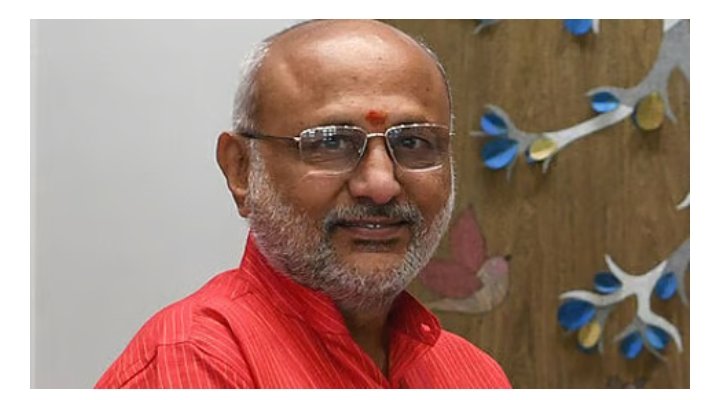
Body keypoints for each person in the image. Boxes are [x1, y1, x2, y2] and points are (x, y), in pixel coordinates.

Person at [95, 19, 511, 389]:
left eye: (414, 142)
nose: (381, 184)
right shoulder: (196, 360)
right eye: (331, 142)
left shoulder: (471, 374)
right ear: (241, 170)